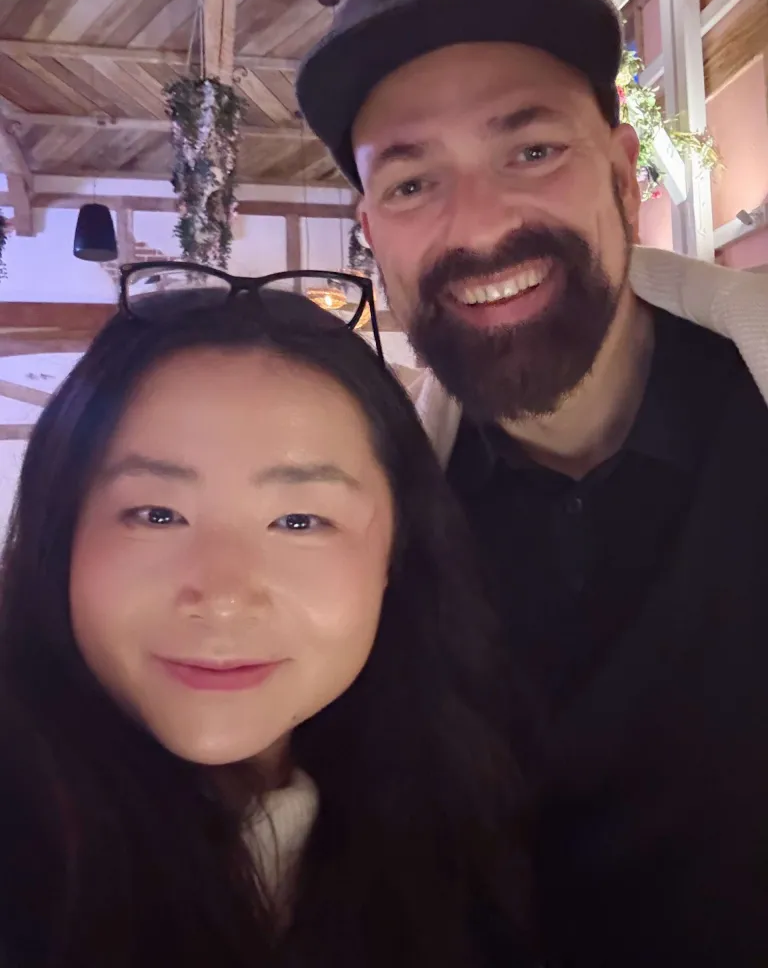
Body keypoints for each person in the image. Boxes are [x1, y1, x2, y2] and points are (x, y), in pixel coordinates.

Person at [296, 0, 768, 965]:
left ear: (623, 171)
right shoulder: (372, 552)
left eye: (533, 150)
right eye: (413, 181)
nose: (479, 226)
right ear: (372, 231)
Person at [0, 284, 531, 967]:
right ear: (61, 532)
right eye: (157, 515)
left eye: (299, 521)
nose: (223, 597)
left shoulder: (468, 831)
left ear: (397, 554)